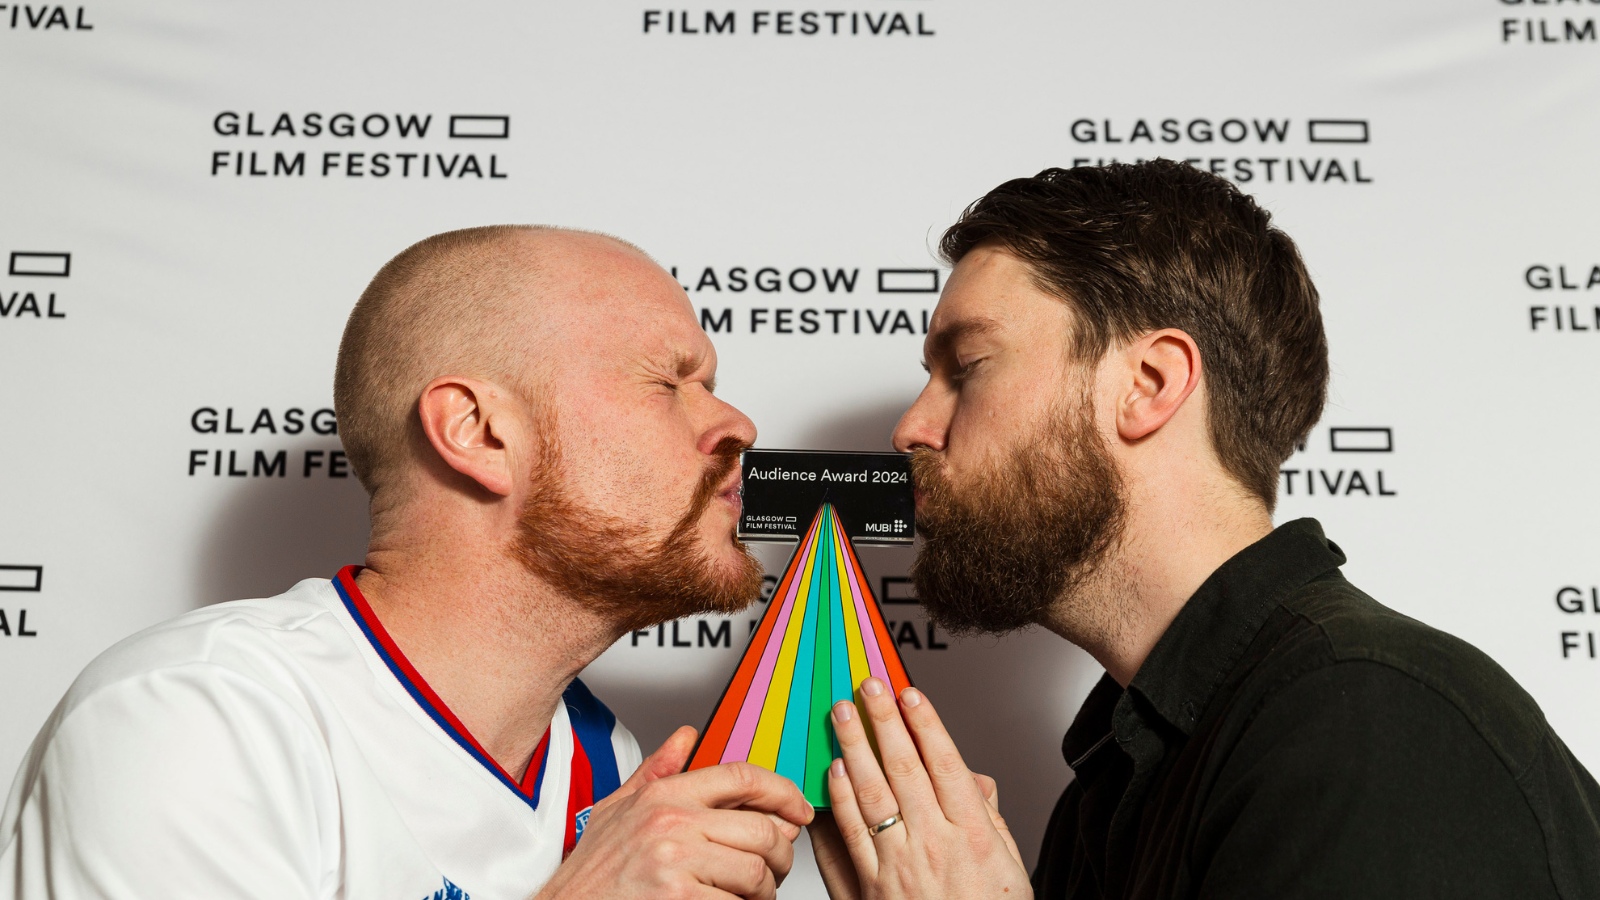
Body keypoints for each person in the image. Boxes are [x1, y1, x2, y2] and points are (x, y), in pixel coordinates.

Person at [809, 162, 1600, 898]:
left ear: (1148, 385)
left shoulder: (1372, 725)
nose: (912, 428)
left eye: (968, 365)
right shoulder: (1108, 794)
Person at [0, 226, 813, 900]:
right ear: (478, 432)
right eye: (670, 383)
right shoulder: (198, 713)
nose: (736, 422)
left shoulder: (613, 768)